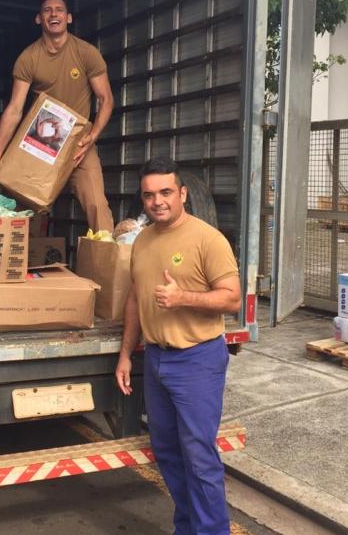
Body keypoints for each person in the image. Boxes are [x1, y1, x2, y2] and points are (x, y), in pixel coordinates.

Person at [115, 157, 241, 535]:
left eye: (166, 192)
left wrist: (182, 297)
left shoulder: (208, 239)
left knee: (200, 459)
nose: (158, 202)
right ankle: (188, 527)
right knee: (168, 454)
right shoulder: (142, 240)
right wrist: (125, 354)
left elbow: (232, 299)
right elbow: (136, 298)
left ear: (182, 193)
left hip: (197, 360)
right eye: (149, 195)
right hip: (156, 360)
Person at [0, 0, 115, 233]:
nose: (53, 14)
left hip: (79, 144)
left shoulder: (86, 52)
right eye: (47, 10)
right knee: (22, 209)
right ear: (39, 19)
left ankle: (108, 266)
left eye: (59, 10)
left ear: (68, 18)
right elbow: (15, 109)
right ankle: (19, 265)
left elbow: (106, 98)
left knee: (97, 206)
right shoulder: (28, 58)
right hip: (41, 142)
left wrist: (94, 135)